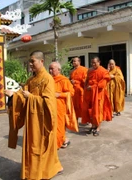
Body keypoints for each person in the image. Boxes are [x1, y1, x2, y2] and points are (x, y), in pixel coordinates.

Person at [5, 51, 63, 180]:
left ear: (41, 61)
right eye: (29, 61)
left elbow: (48, 102)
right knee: (32, 147)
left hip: (43, 121)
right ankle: (33, 171)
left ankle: (44, 171)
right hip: (32, 120)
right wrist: (13, 96)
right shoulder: (31, 80)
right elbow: (22, 95)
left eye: (33, 61)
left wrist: (31, 97)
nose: (30, 64)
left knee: (41, 147)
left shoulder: (47, 79)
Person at [49, 61, 78, 149]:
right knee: (51, 126)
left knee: (59, 126)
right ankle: (64, 140)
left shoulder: (64, 80)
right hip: (50, 106)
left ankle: (57, 144)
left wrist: (59, 95)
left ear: (58, 70)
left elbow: (71, 93)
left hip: (60, 107)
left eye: (52, 69)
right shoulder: (48, 80)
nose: (50, 71)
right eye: (49, 69)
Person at [82, 57, 112, 136]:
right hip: (90, 94)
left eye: (94, 62)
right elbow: (87, 80)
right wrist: (85, 88)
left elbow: (102, 84)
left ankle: (98, 127)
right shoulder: (90, 70)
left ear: (99, 62)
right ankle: (93, 126)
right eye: (92, 62)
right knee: (90, 110)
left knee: (98, 111)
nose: (93, 64)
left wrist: (92, 87)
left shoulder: (103, 71)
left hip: (99, 94)